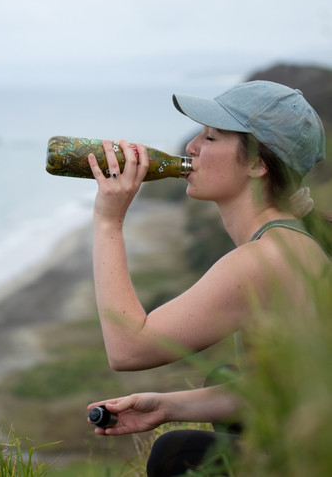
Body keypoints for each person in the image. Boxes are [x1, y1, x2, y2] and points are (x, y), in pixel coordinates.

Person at [85, 81, 332, 476]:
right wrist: (167, 407)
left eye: (211, 136)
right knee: (224, 377)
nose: (192, 148)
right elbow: (282, 387)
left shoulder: (267, 257)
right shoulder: (287, 243)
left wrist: (107, 221)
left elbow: (127, 348)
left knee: (177, 453)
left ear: (256, 164)